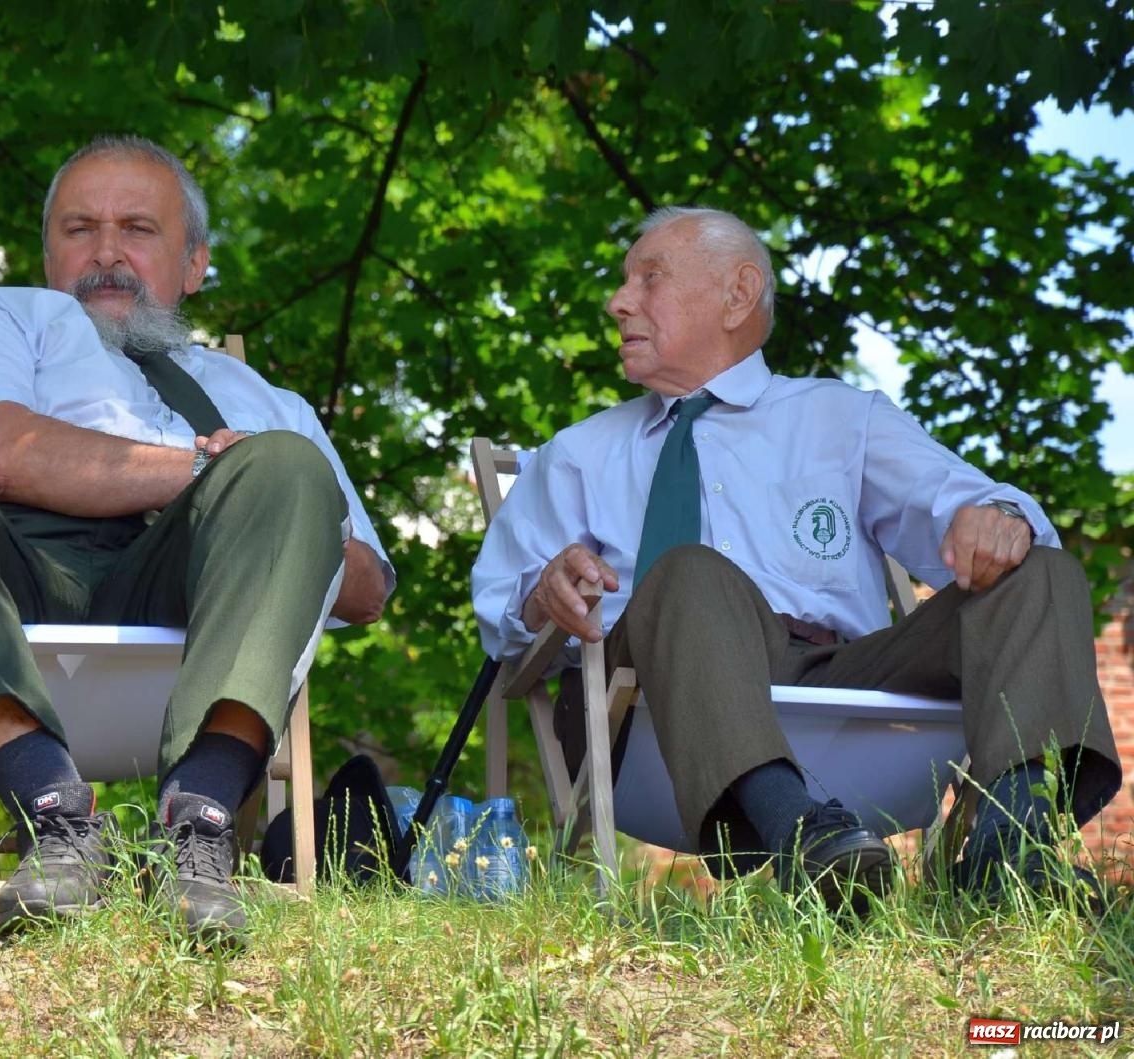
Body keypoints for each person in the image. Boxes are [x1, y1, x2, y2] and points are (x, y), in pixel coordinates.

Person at [0, 136, 394, 942]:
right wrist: (198, 465)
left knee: (287, 466)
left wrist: (265, 491)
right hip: (0, 578)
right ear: (47, 251)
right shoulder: (1, 317)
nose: (107, 254)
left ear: (194, 263)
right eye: (80, 229)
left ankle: (201, 823)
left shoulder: (260, 396)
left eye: (139, 230)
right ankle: (54, 811)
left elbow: (363, 588)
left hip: (184, 603)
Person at [472, 206, 1120, 913]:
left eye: (648, 278)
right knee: (687, 571)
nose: (618, 300)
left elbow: (973, 506)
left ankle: (1011, 854)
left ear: (738, 294)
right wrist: (543, 595)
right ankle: (804, 837)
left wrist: (993, 522)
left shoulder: (842, 418)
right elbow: (501, 616)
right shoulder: (578, 453)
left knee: (1039, 565)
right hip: (644, 720)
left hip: (841, 690)